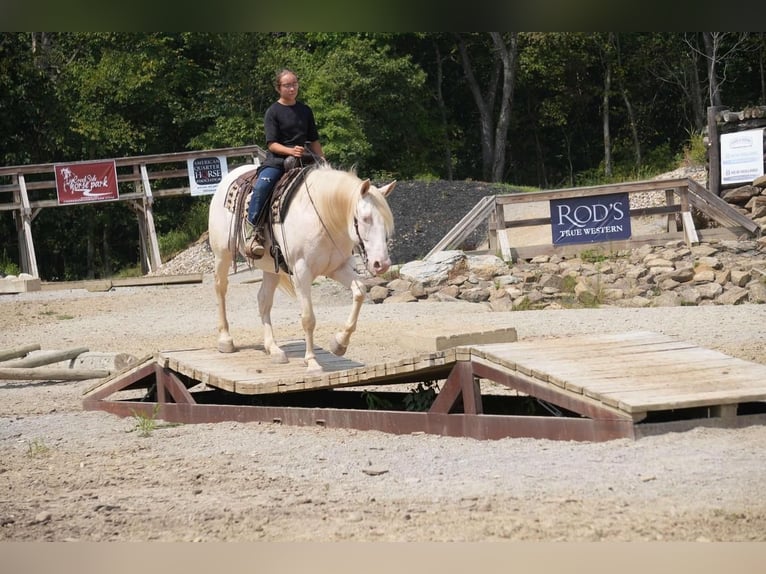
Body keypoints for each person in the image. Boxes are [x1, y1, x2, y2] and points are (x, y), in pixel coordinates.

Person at [244, 68, 325, 259]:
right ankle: (253, 231)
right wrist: (291, 150)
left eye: (294, 84)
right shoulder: (273, 112)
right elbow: (271, 144)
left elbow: (314, 140)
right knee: (263, 187)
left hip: (304, 158)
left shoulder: (305, 110)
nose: (292, 88)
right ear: (278, 88)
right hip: (278, 160)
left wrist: (323, 160)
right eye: (287, 85)